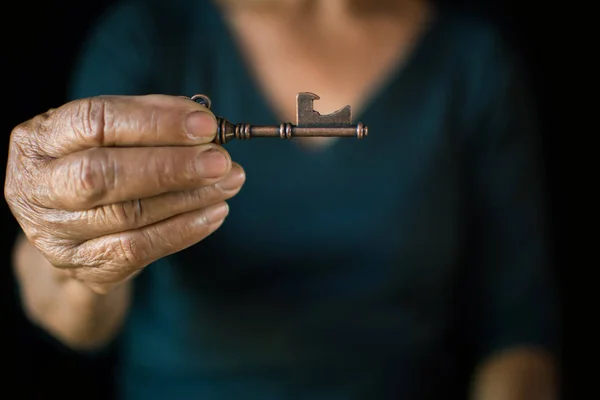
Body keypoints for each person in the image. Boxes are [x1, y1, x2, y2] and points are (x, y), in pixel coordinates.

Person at [5, 0, 560, 398]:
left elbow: (520, 332)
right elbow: (78, 316)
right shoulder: (148, 33)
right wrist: (70, 257)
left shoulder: (473, 61)